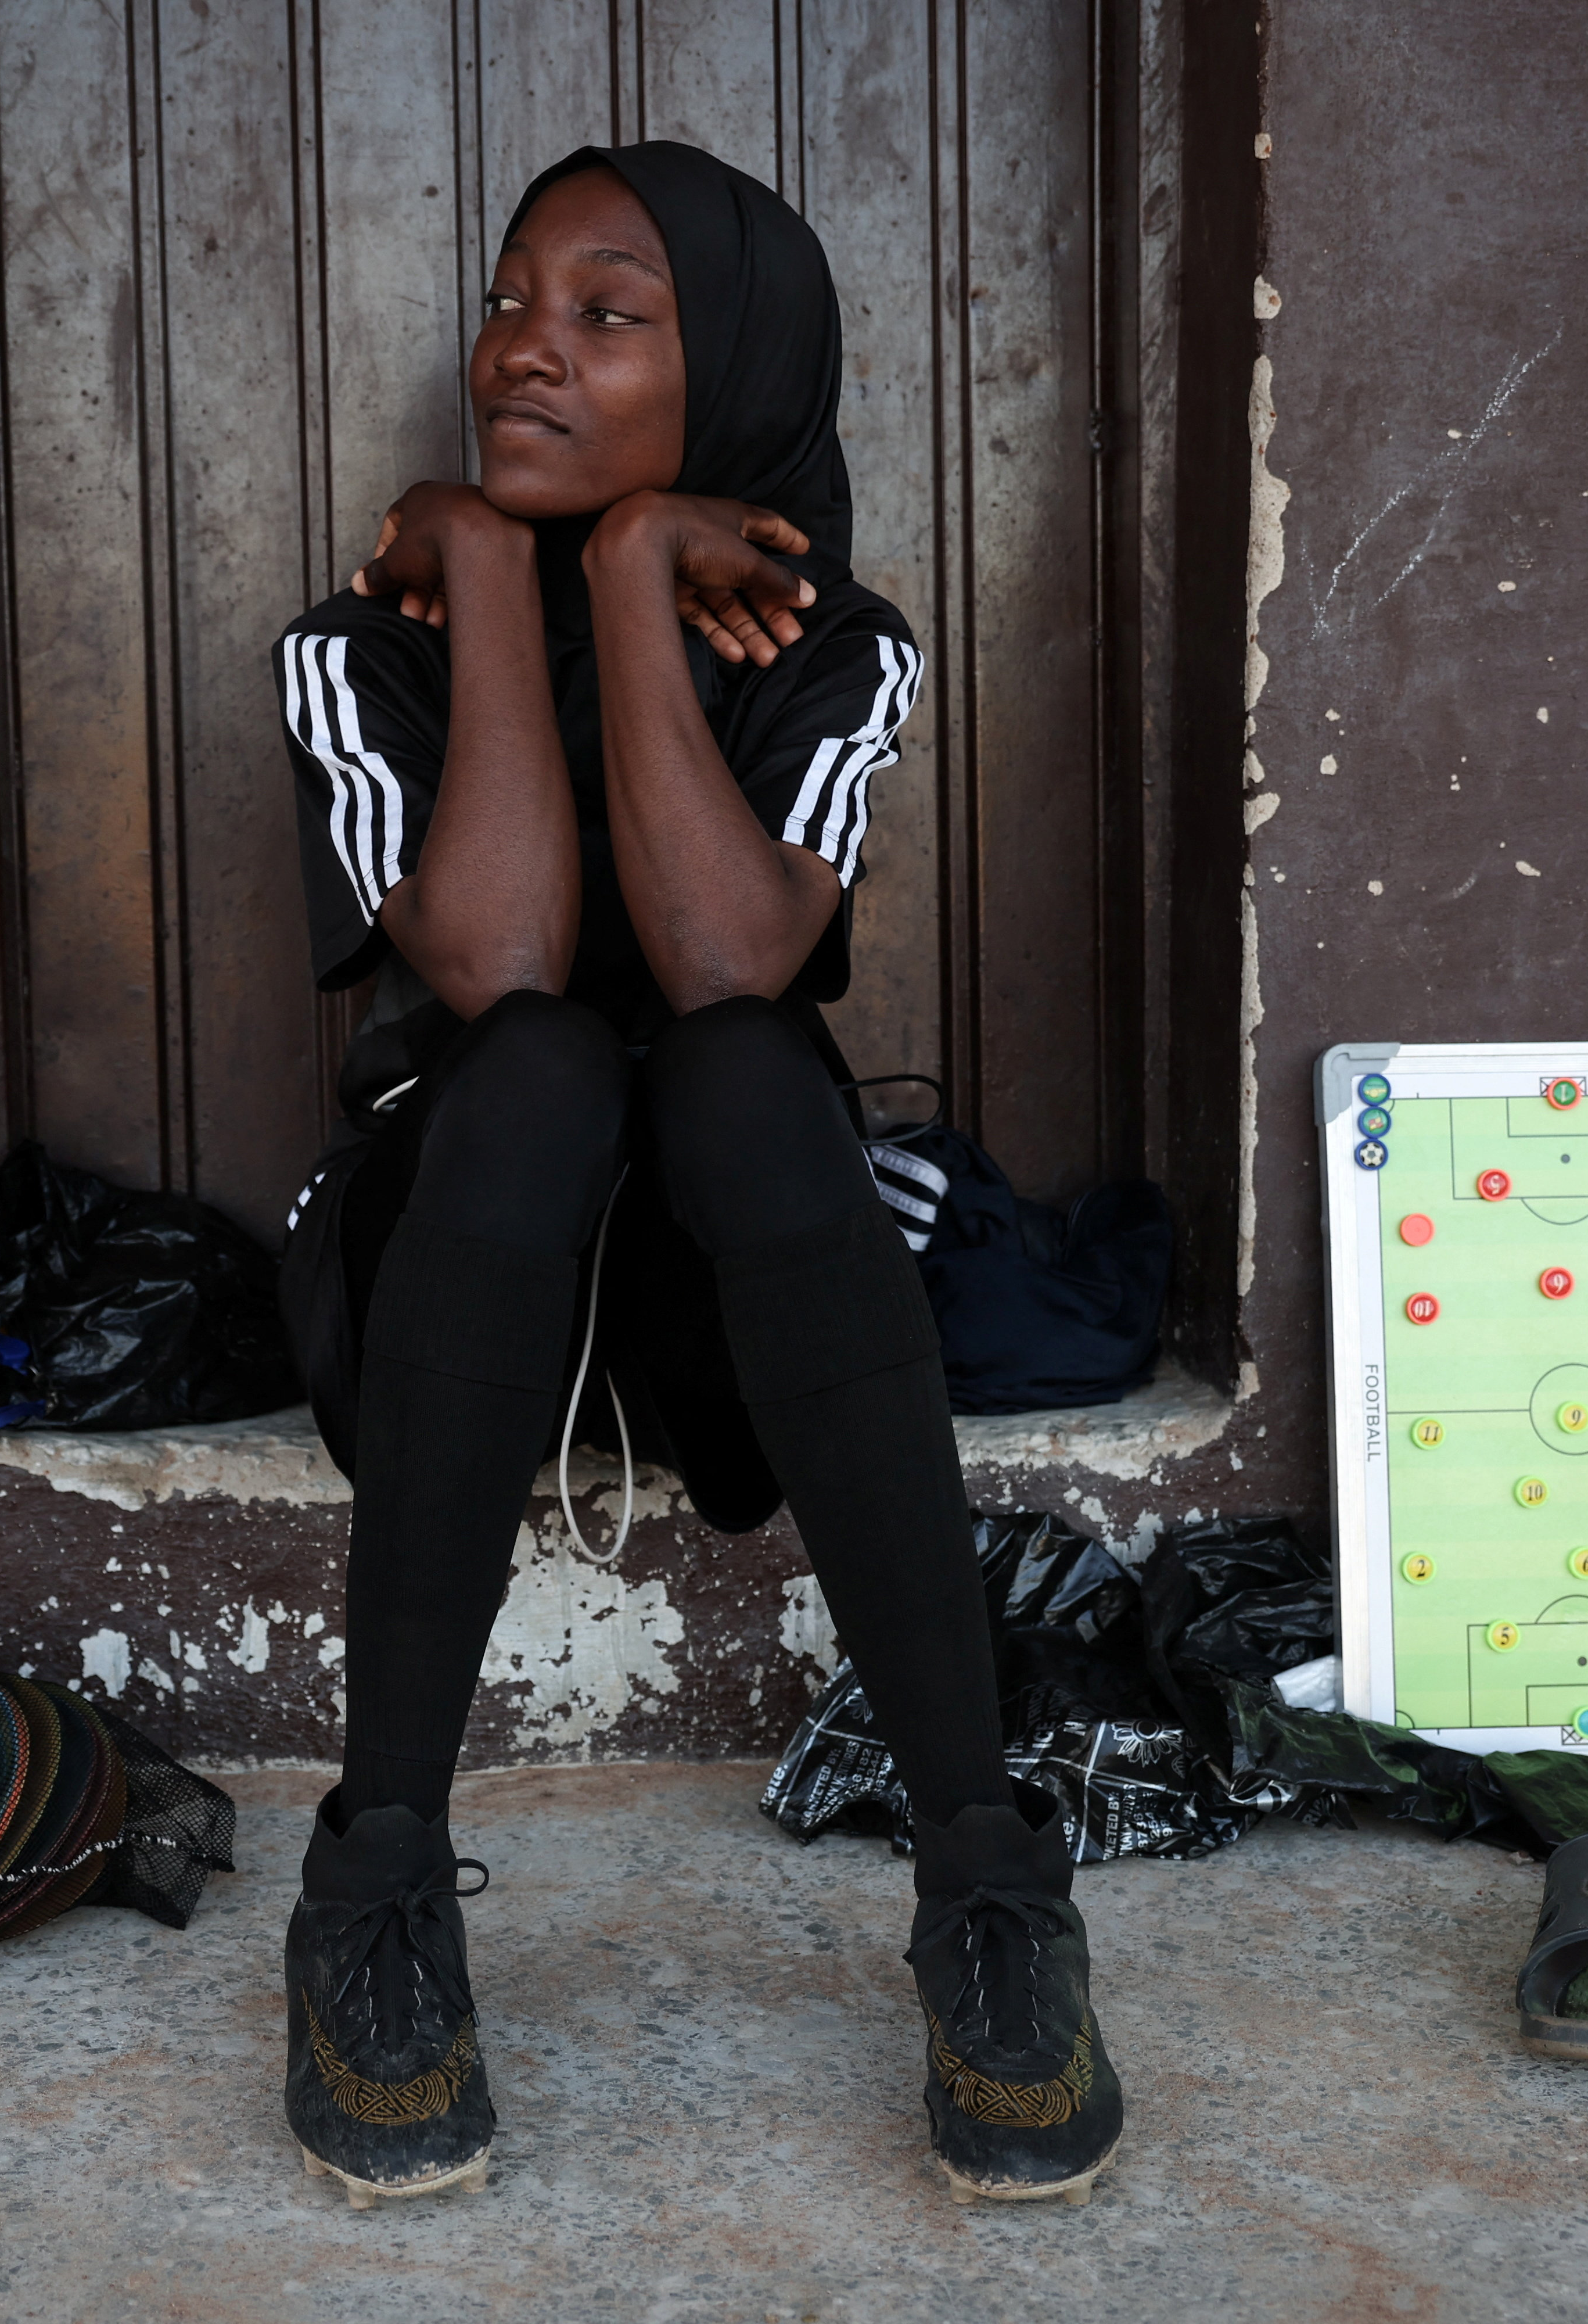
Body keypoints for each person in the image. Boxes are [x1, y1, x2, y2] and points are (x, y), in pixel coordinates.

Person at [270, 142, 1123, 2207]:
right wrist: (492, 572)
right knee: (549, 1061)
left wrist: (637, 570)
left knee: (747, 1072)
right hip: (454, 1271)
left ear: (730, 368)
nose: (518, 351)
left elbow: (735, 958)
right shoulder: (362, 640)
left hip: (728, 1290)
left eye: (605, 314)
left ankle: (987, 1888)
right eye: (510, 300)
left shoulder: (837, 648)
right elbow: (496, 967)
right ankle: (377, 1883)